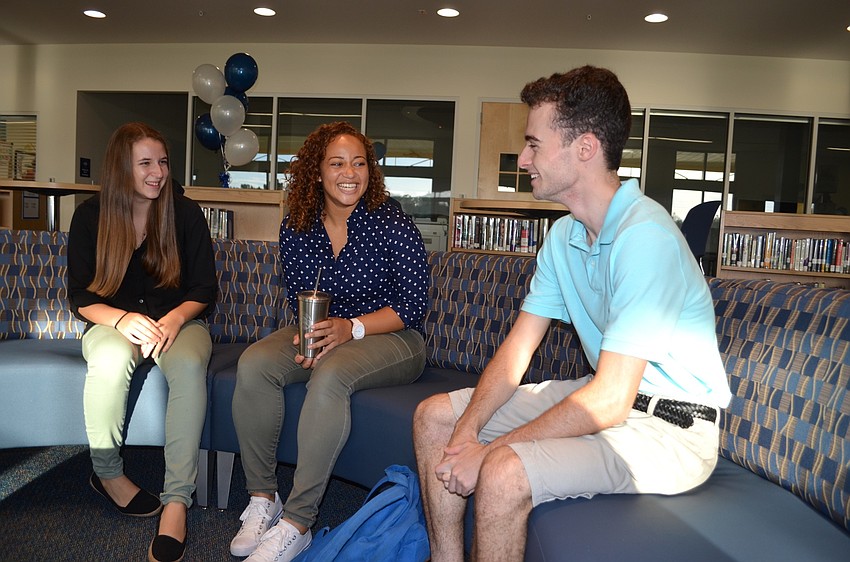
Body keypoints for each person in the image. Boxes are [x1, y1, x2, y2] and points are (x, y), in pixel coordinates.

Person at [413, 66, 733, 561]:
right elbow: (516, 352)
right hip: (610, 402)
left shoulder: (644, 237)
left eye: (534, 144)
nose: (522, 159)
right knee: (434, 417)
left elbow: (609, 400)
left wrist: (487, 452)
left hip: (671, 431)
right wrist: (467, 430)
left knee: (502, 471)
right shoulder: (563, 238)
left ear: (584, 148)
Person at [230, 121, 428, 562]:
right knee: (255, 363)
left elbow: (412, 305)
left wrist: (350, 328)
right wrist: (310, 340)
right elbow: (301, 301)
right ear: (317, 172)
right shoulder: (298, 225)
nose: (349, 172)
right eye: (337, 162)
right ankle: (263, 499)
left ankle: (298, 522)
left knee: (332, 373)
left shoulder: (390, 221)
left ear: (370, 172)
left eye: (359, 163)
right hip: (327, 332)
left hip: (396, 337)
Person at [67, 122, 217, 562]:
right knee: (111, 362)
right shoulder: (90, 216)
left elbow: (205, 289)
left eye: (163, 162)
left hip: (179, 323)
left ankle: (176, 503)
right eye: (146, 163)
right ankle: (108, 474)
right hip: (114, 324)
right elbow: (80, 296)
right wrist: (122, 319)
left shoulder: (186, 214)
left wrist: (173, 318)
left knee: (189, 367)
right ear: (121, 168)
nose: (158, 173)